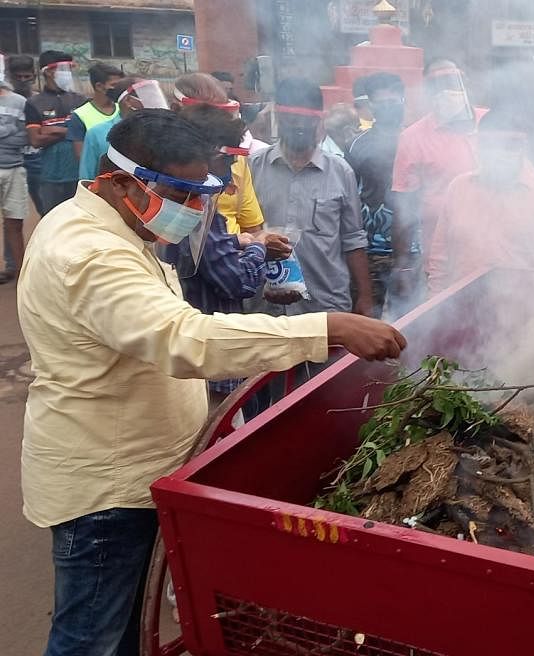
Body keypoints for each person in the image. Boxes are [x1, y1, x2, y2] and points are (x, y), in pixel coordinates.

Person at [17, 108, 405, 656]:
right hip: (105, 488)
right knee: (93, 641)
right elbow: (186, 339)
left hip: (137, 468)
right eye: (182, 194)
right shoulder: (89, 254)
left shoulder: (119, 228)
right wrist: (325, 327)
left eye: (201, 193)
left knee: (121, 630)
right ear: (121, 181)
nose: (196, 209)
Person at [175, 103, 293, 405]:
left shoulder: (191, 202)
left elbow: (206, 253)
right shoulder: (196, 206)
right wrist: (258, 246)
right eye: (227, 163)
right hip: (210, 360)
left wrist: (236, 242)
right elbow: (235, 281)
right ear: (210, 157)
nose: (230, 175)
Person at [249, 77, 374, 318]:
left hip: (325, 303)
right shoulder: (253, 167)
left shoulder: (340, 171)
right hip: (266, 308)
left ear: (318, 120)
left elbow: (353, 240)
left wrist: (365, 297)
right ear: (279, 118)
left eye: (306, 120)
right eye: (291, 119)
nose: (299, 126)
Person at [427, 108, 534, 294]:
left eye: (510, 145)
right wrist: (435, 303)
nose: (499, 152)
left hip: (524, 312)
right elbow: (440, 259)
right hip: (461, 309)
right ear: (479, 146)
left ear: (523, 147)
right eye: (490, 144)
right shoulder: (458, 188)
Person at [391, 59, 486, 296]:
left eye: (451, 81)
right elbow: (404, 209)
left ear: (467, 84)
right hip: (444, 262)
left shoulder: (491, 123)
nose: (445, 91)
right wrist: (402, 268)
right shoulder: (412, 138)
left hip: (494, 254)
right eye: (436, 85)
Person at [172, 73, 265, 235]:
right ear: (176, 109)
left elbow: (252, 225)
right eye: (209, 116)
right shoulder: (162, 162)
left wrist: (259, 246)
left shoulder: (234, 157)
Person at [345, 72, 406, 312]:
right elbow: (349, 197)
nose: (388, 108)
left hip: (413, 253)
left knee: (412, 321)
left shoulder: (415, 140)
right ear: (372, 106)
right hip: (370, 252)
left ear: (404, 101)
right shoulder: (358, 145)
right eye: (382, 103)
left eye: (394, 102)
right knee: (370, 320)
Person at [25, 51, 86, 213]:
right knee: (51, 221)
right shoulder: (34, 103)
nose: (68, 74)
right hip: (50, 176)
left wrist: (54, 130)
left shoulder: (80, 100)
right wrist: (71, 130)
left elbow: (87, 132)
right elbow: (36, 140)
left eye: (69, 69)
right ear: (48, 72)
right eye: (64, 69)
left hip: (78, 174)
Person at [78, 78, 170, 180]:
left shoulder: (163, 128)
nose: (154, 100)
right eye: (148, 96)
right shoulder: (97, 133)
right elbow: (87, 176)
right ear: (128, 101)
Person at [0, 68, 31, 284]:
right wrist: (9, 130)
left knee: (14, 222)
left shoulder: (19, 101)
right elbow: (16, 133)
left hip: (14, 168)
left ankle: (22, 275)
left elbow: (25, 137)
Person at [66, 62, 122, 160]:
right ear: (99, 86)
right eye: (114, 85)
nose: (119, 88)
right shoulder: (80, 115)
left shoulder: (124, 109)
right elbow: (81, 156)